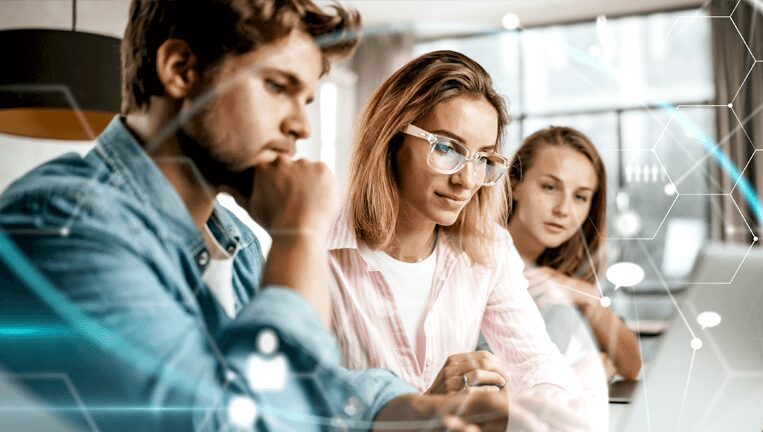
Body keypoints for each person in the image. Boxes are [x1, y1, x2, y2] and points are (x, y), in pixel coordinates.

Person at [0, 1, 549, 430]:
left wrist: (417, 414)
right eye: (277, 87)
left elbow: (315, 392)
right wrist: (300, 236)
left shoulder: (232, 240)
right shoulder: (61, 221)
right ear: (180, 68)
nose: (300, 128)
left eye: (306, 100)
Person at [326, 50, 602, 428]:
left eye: (482, 158)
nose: (467, 180)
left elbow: (537, 361)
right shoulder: (318, 252)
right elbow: (296, 413)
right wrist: (421, 411)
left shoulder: (487, 249)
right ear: (391, 139)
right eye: (446, 148)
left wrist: (550, 412)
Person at [507, 126, 642, 382]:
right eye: (549, 187)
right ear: (515, 182)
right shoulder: (481, 263)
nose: (563, 209)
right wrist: (579, 376)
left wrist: (587, 297)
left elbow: (631, 366)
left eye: (580, 197)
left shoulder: (562, 275)